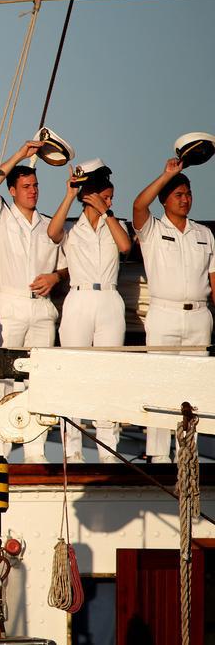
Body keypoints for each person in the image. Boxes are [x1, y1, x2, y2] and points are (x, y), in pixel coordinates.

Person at [0, 140, 66, 463]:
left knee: (39, 380)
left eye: (35, 186)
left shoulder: (49, 223)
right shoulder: (0, 216)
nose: (33, 191)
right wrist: (20, 155)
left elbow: (69, 262)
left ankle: (35, 451)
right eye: (26, 186)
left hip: (42, 308)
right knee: (2, 379)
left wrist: (56, 277)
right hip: (11, 304)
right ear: (13, 191)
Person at [132, 157, 215, 463]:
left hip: (199, 315)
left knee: (194, 387)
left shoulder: (204, 234)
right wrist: (165, 174)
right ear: (165, 199)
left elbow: (213, 277)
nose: (185, 200)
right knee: (161, 381)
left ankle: (187, 454)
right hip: (164, 313)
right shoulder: (153, 229)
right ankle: (156, 453)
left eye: (188, 194)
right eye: (178, 195)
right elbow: (139, 207)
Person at [47, 160, 130, 463]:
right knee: (73, 373)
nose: (110, 202)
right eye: (105, 197)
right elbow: (52, 232)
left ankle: (109, 450)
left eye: (110, 198)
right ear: (90, 196)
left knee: (108, 374)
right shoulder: (72, 228)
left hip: (108, 297)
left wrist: (107, 213)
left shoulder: (113, 224)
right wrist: (71, 195)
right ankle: (72, 450)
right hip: (79, 297)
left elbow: (125, 247)